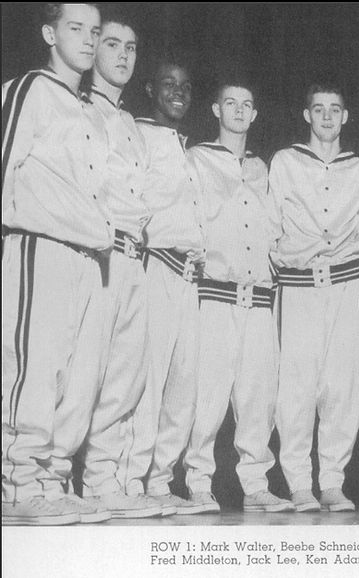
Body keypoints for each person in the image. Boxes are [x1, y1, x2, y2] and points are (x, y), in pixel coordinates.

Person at [1, 3, 109, 526]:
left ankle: (49, 479)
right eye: (76, 29)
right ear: (49, 33)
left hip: (86, 257)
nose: (88, 41)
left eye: (95, 31)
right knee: (33, 371)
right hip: (37, 246)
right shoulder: (29, 89)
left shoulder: (89, 110)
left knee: (74, 380)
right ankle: (17, 483)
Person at [183, 78, 290, 513]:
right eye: (231, 102)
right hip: (215, 296)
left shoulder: (263, 169)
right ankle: (198, 482)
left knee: (257, 397)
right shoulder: (197, 159)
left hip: (259, 300)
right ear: (215, 109)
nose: (239, 111)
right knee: (206, 396)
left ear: (255, 114)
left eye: (247, 104)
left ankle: (256, 484)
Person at [70, 11, 161, 519]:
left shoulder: (130, 123)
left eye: (130, 47)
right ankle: (50, 477)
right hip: (97, 252)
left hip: (136, 256)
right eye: (112, 44)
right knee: (84, 374)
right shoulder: (79, 110)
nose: (123, 54)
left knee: (125, 378)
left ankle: (105, 480)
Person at [269, 84, 359, 512]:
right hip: (297, 288)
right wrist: (303, 256)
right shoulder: (286, 162)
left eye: (335, 109)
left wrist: (342, 267)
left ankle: (332, 480)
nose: (327, 117)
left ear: (345, 116)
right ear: (306, 115)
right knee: (296, 388)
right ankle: (298, 482)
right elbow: (272, 230)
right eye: (319, 109)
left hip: (345, 288)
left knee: (343, 387)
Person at [126, 59, 207, 514]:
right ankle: (130, 480)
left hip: (188, 275)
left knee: (182, 386)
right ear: (150, 88)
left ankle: (160, 481)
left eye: (186, 86)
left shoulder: (182, 146)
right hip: (155, 265)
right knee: (148, 383)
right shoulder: (137, 133)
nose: (178, 92)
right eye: (168, 84)